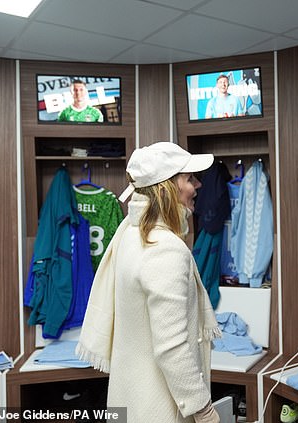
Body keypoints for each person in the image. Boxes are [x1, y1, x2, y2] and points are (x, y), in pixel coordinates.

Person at [77, 141, 221, 423]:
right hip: (160, 408)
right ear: (167, 187)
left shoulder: (129, 233)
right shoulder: (165, 248)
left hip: (131, 401)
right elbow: (172, 347)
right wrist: (205, 412)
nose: (197, 186)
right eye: (189, 178)